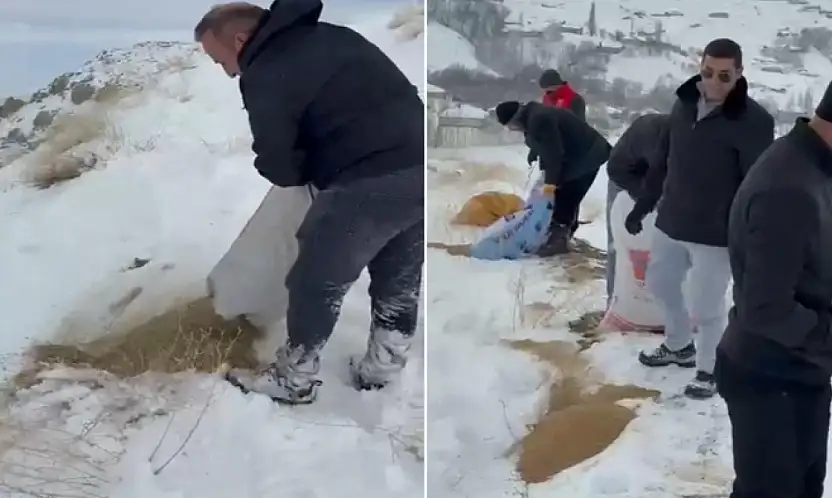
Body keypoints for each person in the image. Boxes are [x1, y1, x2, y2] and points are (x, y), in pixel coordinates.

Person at [194, 0, 424, 404]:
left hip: (366, 179)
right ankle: (382, 368)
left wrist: (305, 170)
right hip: (421, 168)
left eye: (220, 60)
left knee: (316, 280)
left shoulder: (265, 70)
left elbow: (281, 164)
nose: (228, 71)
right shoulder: (333, 36)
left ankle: (292, 378)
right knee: (398, 279)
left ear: (240, 39)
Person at [625, 38, 774, 399]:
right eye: (707, 73)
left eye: (724, 76)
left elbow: (756, 184)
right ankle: (678, 346)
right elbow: (664, 160)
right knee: (660, 284)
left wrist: (754, 235)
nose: (714, 82)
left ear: (739, 73)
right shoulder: (683, 105)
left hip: (716, 232)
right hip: (672, 220)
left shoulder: (753, 121)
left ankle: (709, 368)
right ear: (699, 67)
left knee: (707, 306)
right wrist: (643, 204)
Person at [714, 83, 832, 498]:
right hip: (771, 380)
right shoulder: (788, 188)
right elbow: (765, 307)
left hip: (801, 372)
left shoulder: (814, 167)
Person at [494, 100, 610, 256]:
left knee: (564, 196)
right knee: (564, 194)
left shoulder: (539, 119)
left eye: (510, 126)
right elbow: (547, 141)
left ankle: (558, 242)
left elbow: (554, 153)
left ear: (515, 119)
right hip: (580, 154)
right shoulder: (533, 115)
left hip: (588, 156)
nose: (511, 129)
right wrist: (535, 152)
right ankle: (561, 234)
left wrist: (550, 183)